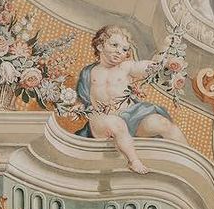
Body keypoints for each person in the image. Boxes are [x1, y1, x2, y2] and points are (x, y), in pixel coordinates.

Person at [72, 24, 183, 174]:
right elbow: (82, 98)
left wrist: (164, 48)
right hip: (101, 121)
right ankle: (134, 162)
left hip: (131, 117)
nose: (119, 51)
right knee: (115, 123)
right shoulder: (88, 72)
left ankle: (188, 157)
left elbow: (152, 68)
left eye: (124, 49)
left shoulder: (126, 67)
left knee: (161, 122)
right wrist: (78, 106)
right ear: (100, 46)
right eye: (114, 45)